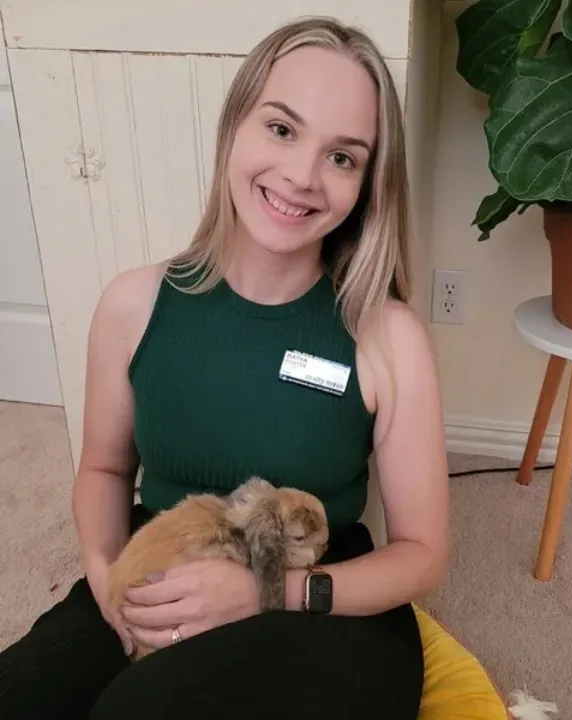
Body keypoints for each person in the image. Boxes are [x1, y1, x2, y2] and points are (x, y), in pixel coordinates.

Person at [0, 16, 450, 719]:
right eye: (281, 129)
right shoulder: (133, 304)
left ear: (367, 183)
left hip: (320, 603)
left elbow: (423, 554)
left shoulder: (388, 337)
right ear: (234, 126)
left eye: (343, 157)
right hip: (166, 558)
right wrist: (108, 578)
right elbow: (105, 471)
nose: (301, 175)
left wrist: (270, 592)